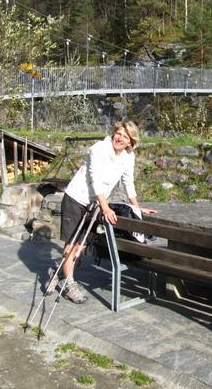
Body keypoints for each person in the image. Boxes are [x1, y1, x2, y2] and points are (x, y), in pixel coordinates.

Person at [58, 120, 156, 304]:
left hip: (95, 203)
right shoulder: (99, 149)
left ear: (131, 142)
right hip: (76, 198)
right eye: (118, 133)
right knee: (71, 244)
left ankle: (62, 273)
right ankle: (69, 284)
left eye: (125, 136)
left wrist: (136, 207)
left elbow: (128, 183)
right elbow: (96, 180)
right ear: (113, 133)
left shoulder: (128, 156)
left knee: (81, 246)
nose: (120, 138)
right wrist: (105, 207)